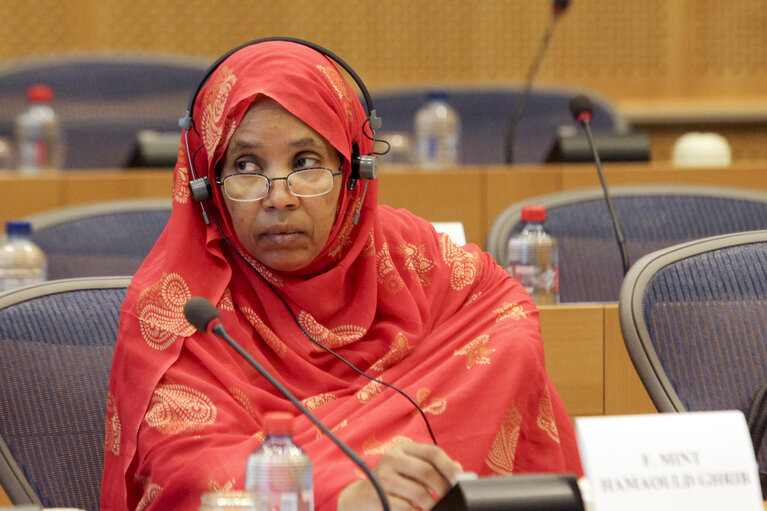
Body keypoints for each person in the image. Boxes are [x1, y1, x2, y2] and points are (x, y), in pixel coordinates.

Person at [100, 39, 582, 511]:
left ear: (352, 171)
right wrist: (344, 491)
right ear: (209, 185)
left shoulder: (407, 255)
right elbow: (187, 467)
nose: (279, 197)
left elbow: (507, 318)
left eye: (306, 163)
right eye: (246, 165)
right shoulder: (180, 305)